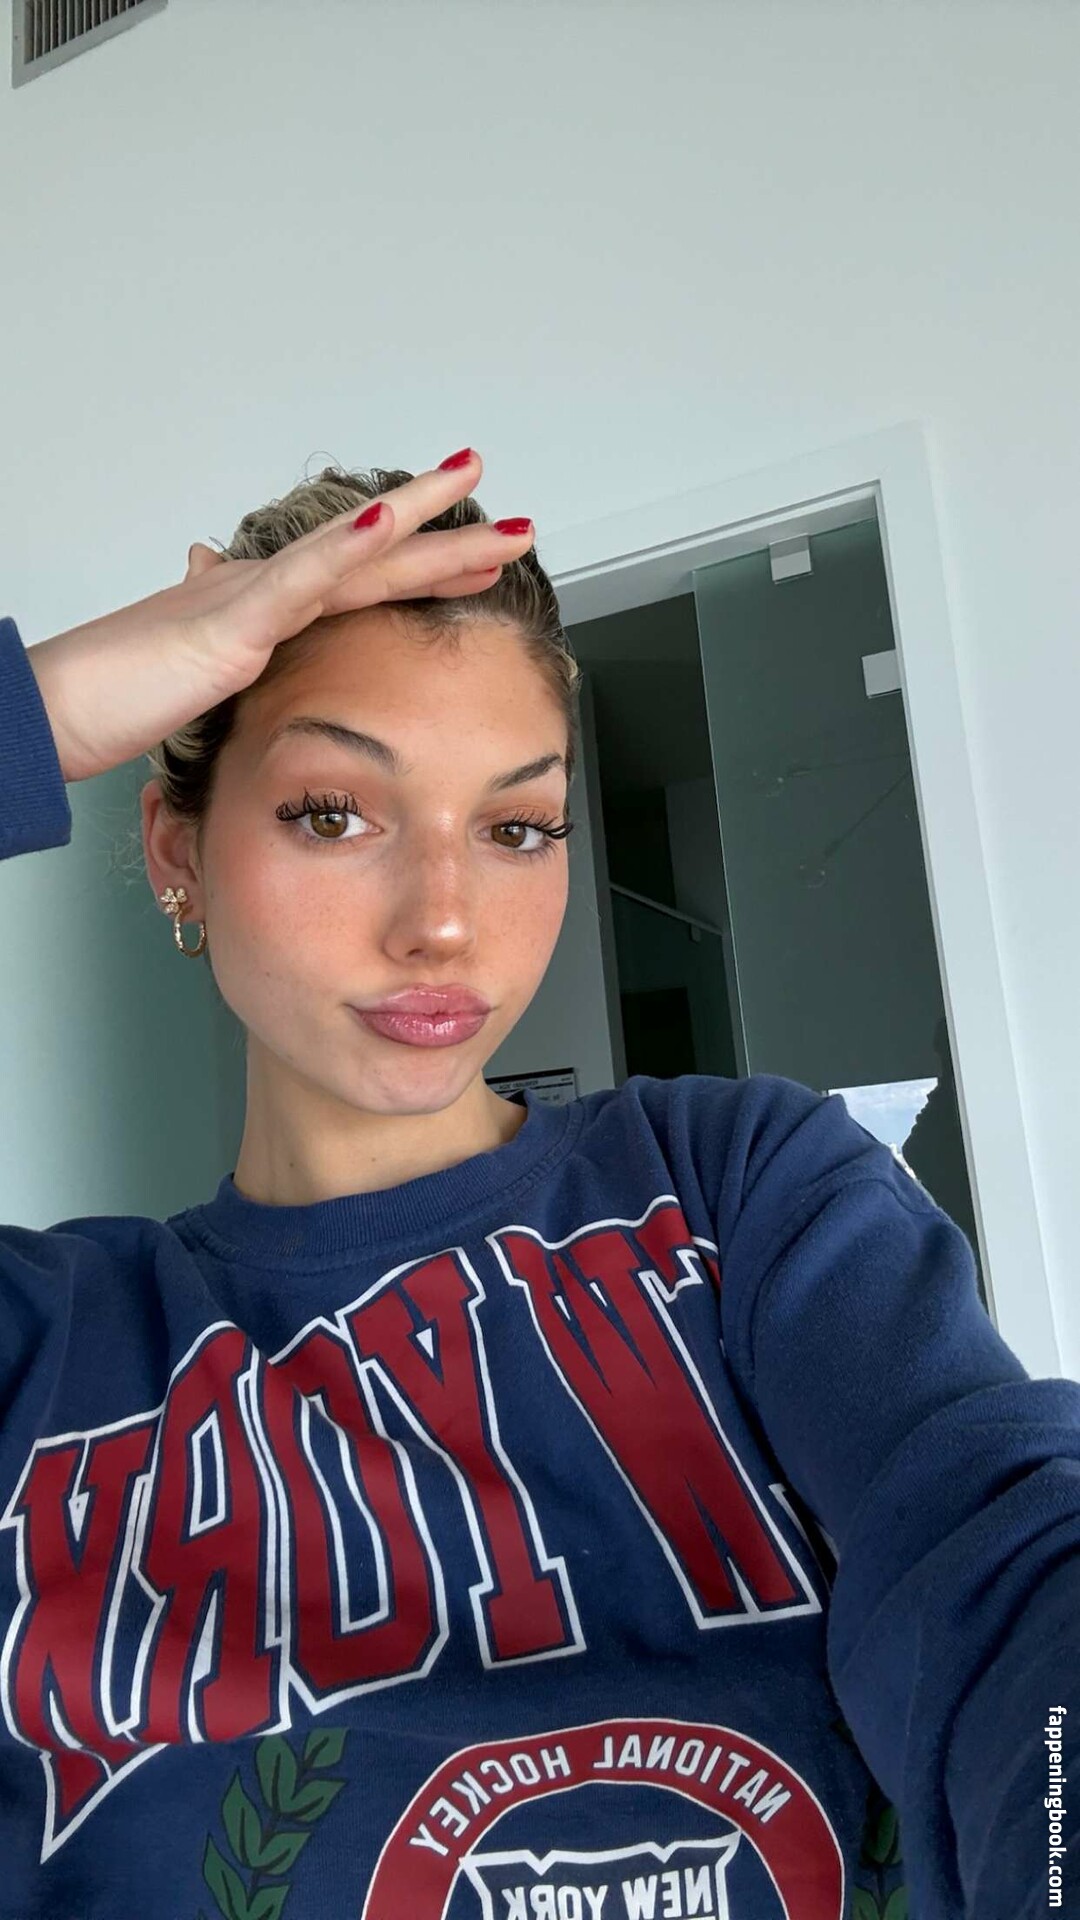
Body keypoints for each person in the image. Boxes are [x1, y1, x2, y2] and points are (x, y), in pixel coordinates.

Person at [0, 448, 1075, 1920]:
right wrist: (46, 703)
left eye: (516, 828)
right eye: (334, 811)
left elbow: (1004, 1555)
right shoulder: (43, 1344)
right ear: (177, 848)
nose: (443, 922)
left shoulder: (735, 1188)